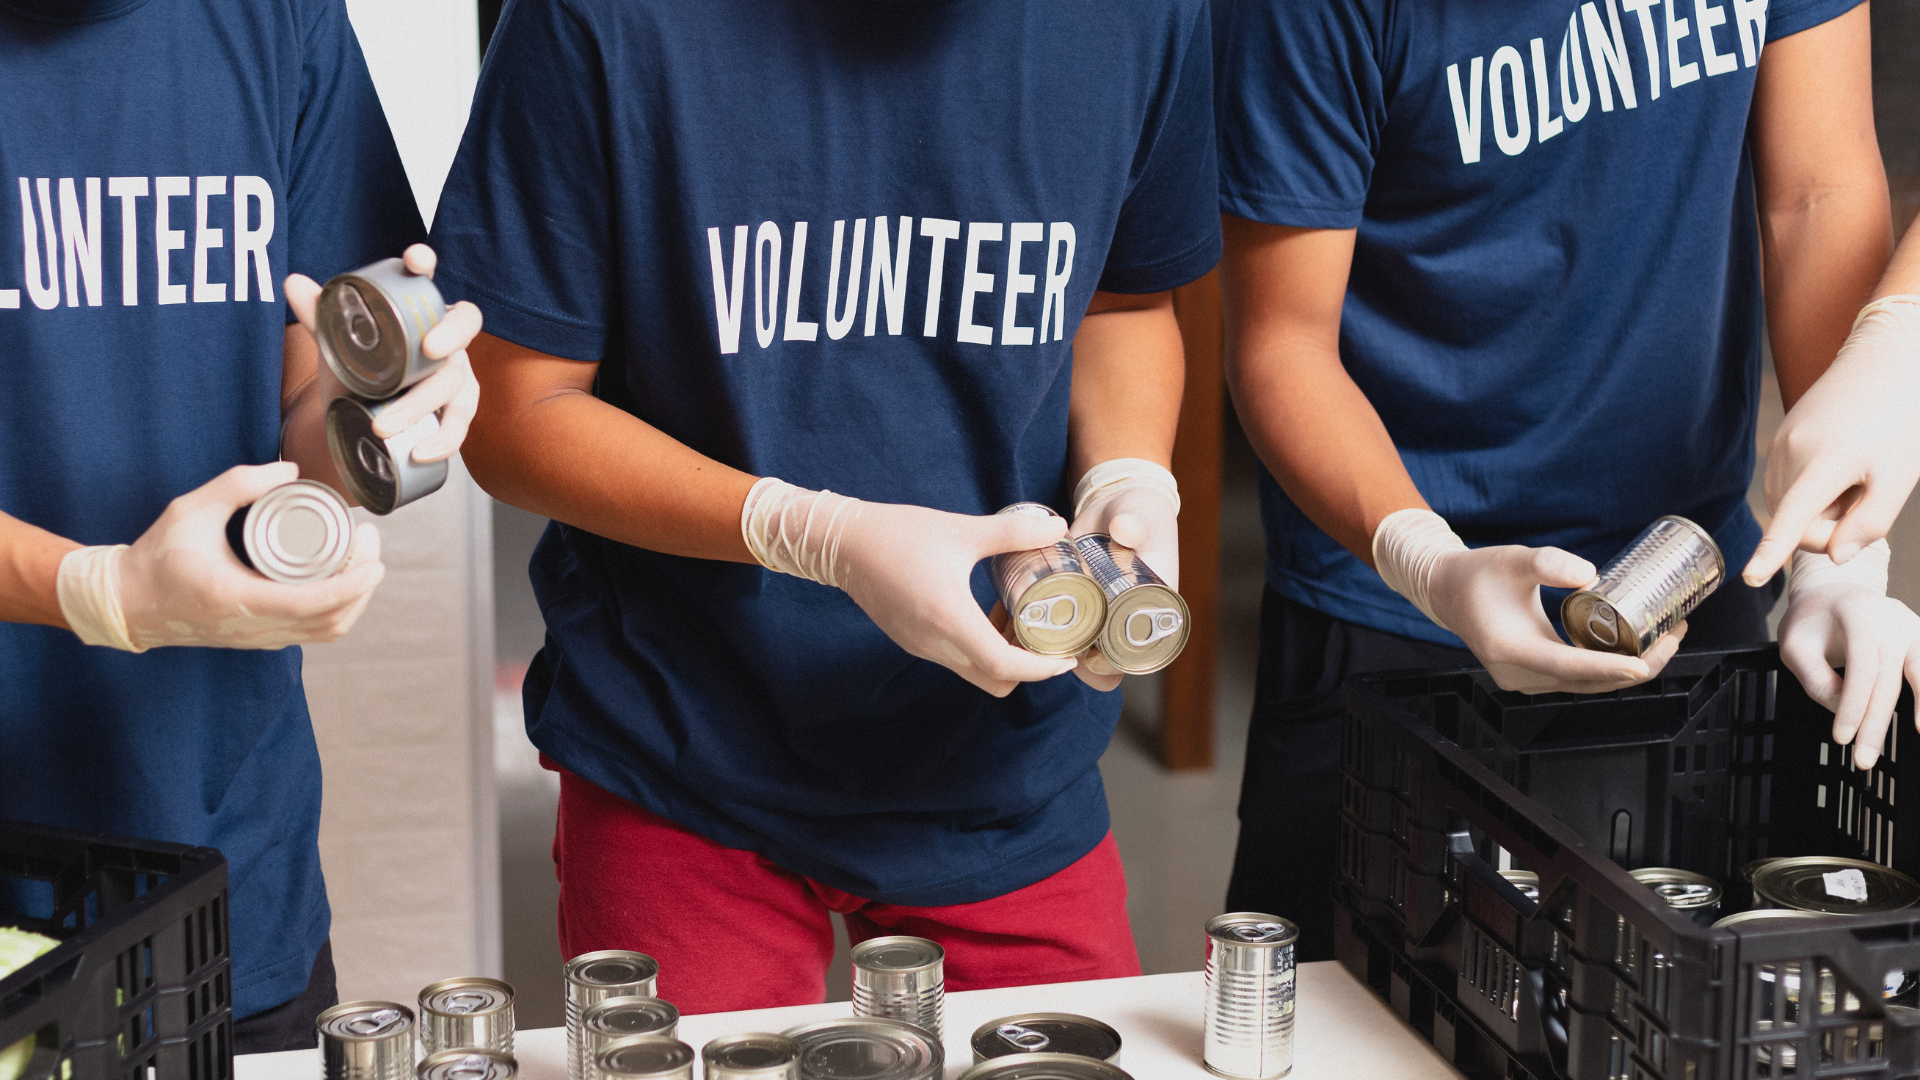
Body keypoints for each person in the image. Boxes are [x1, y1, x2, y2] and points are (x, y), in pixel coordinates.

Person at [432, 0, 1217, 1012]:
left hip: (1003, 747)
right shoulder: (605, 21)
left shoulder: (1139, 18)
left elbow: (1125, 300)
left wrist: (1129, 474)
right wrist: (812, 534)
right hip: (687, 740)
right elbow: (511, 408)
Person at [1213, 0, 1897, 959]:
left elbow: (1815, 194)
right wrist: (1431, 565)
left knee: (1695, 998)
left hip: (1687, 576)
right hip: (1397, 608)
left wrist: (1837, 554)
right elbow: (1282, 345)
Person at [0, 0, 480, 1050]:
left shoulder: (280, 20)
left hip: (221, 864)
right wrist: (99, 590)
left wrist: (392, 417)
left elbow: (306, 406)